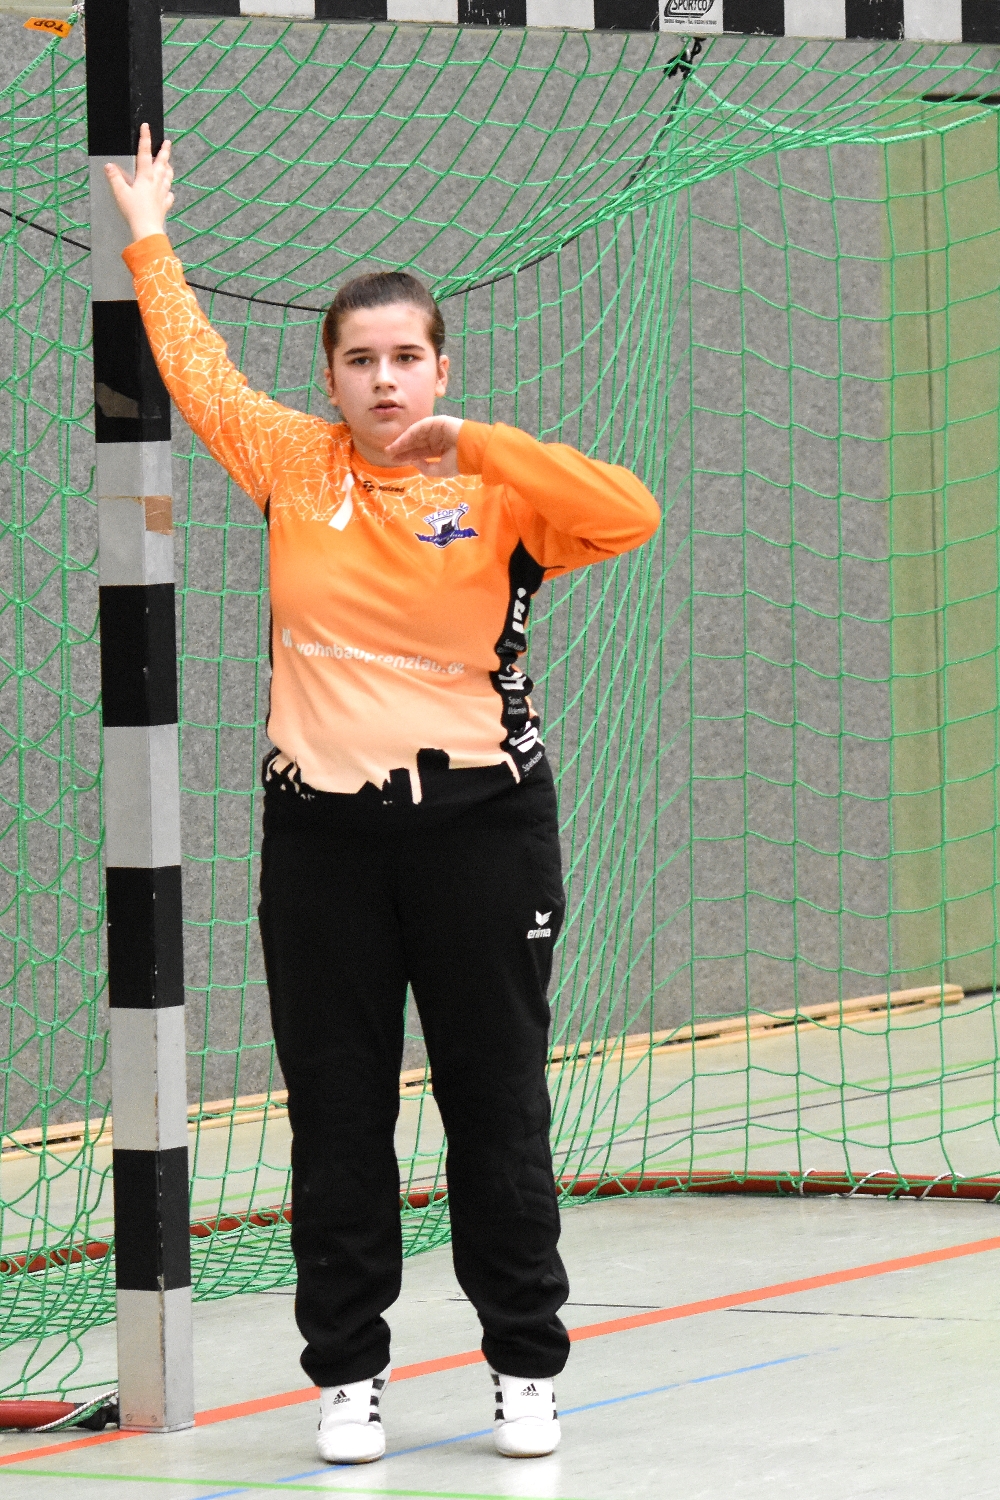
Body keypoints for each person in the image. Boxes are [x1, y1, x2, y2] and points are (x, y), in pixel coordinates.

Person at [106, 124, 660, 1466]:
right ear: (333, 377)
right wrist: (149, 237)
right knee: (338, 1114)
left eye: (407, 357)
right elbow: (197, 368)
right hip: (324, 843)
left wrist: (481, 444)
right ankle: (347, 1376)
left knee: (496, 1105)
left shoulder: (500, 489)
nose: (385, 379)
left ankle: (524, 1367)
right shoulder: (292, 464)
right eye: (360, 360)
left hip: (481, 834)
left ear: (440, 368)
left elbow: (629, 512)